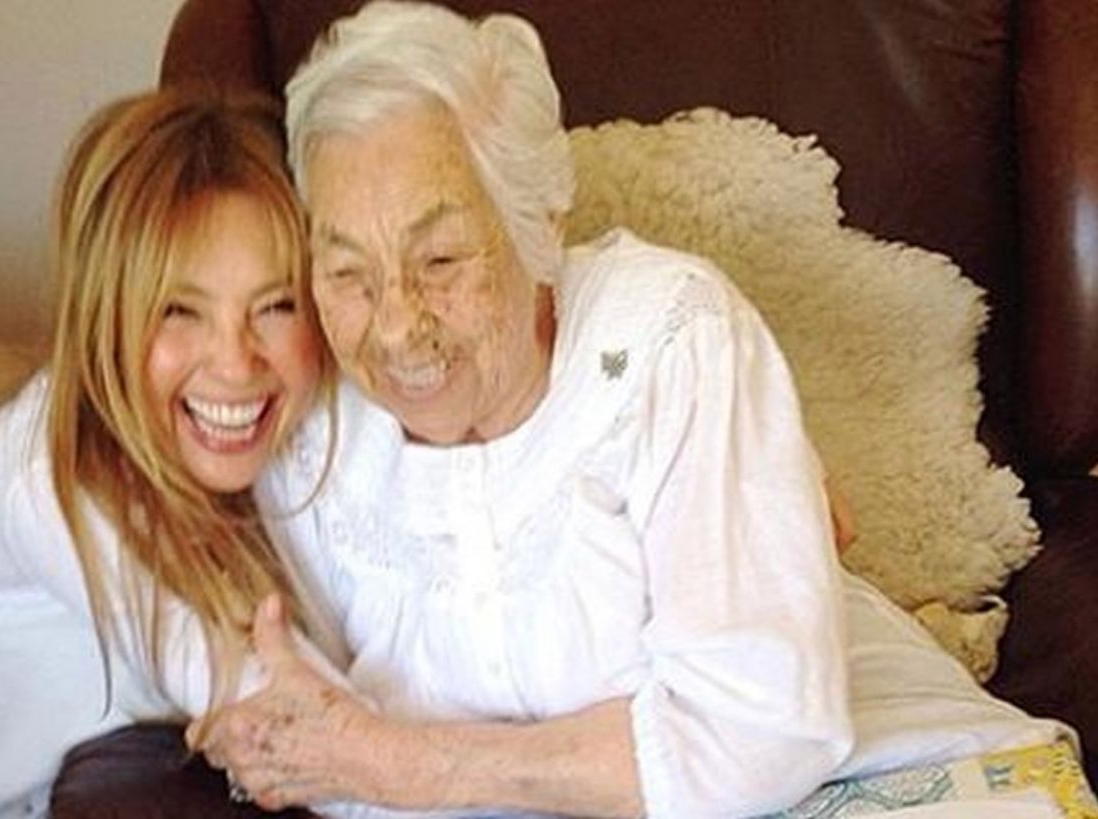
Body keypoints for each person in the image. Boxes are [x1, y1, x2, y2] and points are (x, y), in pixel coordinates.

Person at [189, 3, 1092, 817]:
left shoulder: (669, 342)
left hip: (873, 781)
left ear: (541, 226)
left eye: (441, 261)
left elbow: (759, 737)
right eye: (347, 271)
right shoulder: (304, 415)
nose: (395, 326)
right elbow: (240, 674)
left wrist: (400, 763)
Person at [0, 86, 345, 818]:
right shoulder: (48, 482)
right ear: (103, 319)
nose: (236, 362)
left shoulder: (299, 427)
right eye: (177, 310)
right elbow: (266, 702)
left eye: (275, 305)